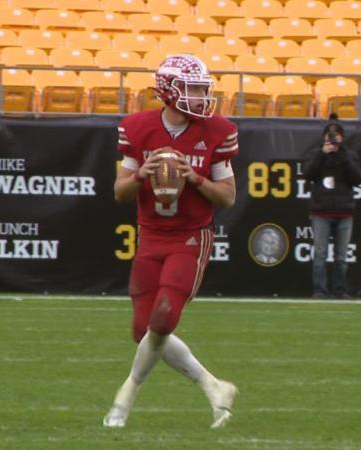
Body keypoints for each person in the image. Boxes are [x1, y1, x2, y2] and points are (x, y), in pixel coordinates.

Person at [103, 54, 239, 429]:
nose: (201, 96)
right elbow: (120, 192)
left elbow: (227, 196)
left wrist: (194, 178)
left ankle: (126, 394)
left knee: (164, 318)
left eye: (201, 88)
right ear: (168, 91)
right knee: (141, 329)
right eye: (193, 88)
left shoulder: (217, 130)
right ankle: (213, 386)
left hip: (191, 236)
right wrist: (141, 176)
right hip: (150, 235)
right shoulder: (138, 128)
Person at [303, 113, 361, 298]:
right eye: (330, 135)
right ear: (324, 137)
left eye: (336, 135)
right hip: (321, 212)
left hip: (344, 212)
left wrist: (343, 157)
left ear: (342, 137)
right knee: (320, 254)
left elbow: (358, 178)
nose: (333, 138)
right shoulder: (316, 154)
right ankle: (319, 290)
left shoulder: (350, 155)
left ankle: (340, 290)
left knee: (341, 257)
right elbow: (308, 174)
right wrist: (323, 154)